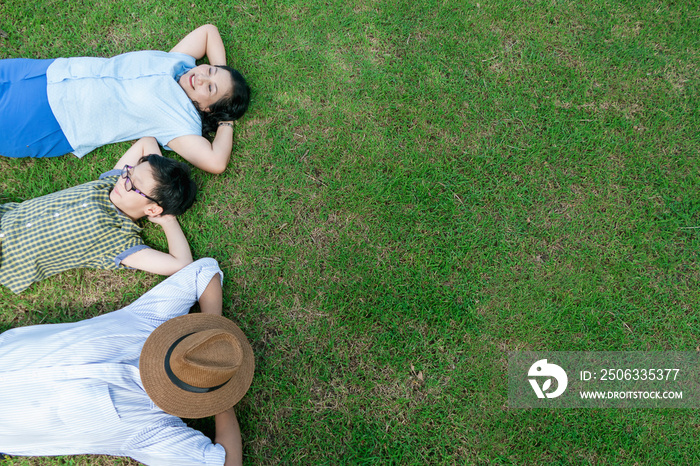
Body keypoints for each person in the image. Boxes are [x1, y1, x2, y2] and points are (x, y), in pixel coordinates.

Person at [0, 258, 254, 466]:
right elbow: (204, 271)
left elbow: (203, 271)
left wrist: (207, 332)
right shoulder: (146, 428)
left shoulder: (145, 326)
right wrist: (216, 390)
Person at [0, 24, 250, 174]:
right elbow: (209, 31)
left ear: (207, 109)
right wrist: (222, 75)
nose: (201, 77)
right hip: (46, 72)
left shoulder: (180, 123)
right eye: (209, 71)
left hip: (50, 118)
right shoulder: (180, 62)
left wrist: (225, 120)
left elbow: (216, 162)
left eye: (210, 89)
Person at [0, 137, 196, 293]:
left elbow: (181, 263)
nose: (123, 179)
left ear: (152, 209)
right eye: (129, 171)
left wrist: (168, 222)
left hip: (7, 260)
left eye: (132, 184)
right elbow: (147, 142)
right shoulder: (109, 183)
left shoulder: (120, 241)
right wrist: (159, 171)